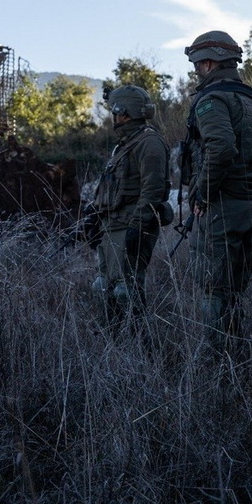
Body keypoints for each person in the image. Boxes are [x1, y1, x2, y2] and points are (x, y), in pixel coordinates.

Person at [180, 31, 252, 345]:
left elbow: (221, 148)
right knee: (235, 286)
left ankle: (215, 363)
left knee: (213, 288)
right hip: (247, 206)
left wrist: (203, 193)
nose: (197, 71)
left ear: (208, 62)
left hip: (220, 206)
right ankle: (234, 353)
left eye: (198, 65)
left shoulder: (212, 99)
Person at [90, 85, 172, 325]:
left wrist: (138, 227)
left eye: (115, 111)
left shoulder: (149, 142)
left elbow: (153, 188)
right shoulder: (125, 143)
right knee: (103, 287)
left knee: (126, 291)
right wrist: (93, 215)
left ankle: (140, 346)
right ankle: (114, 343)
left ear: (125, 112)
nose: (113, 117)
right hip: (112, 225)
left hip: (130, 226)